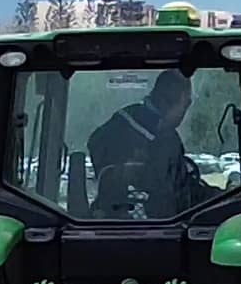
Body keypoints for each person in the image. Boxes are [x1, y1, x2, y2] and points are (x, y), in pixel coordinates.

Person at [85, 70, 216, 217]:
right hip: (129, 221)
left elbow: (184, 186)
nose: (184, 112)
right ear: (166, 101)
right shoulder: (127, 127)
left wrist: (220, 196)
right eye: (185, 103)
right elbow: (171, 188)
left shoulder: (165, 135)